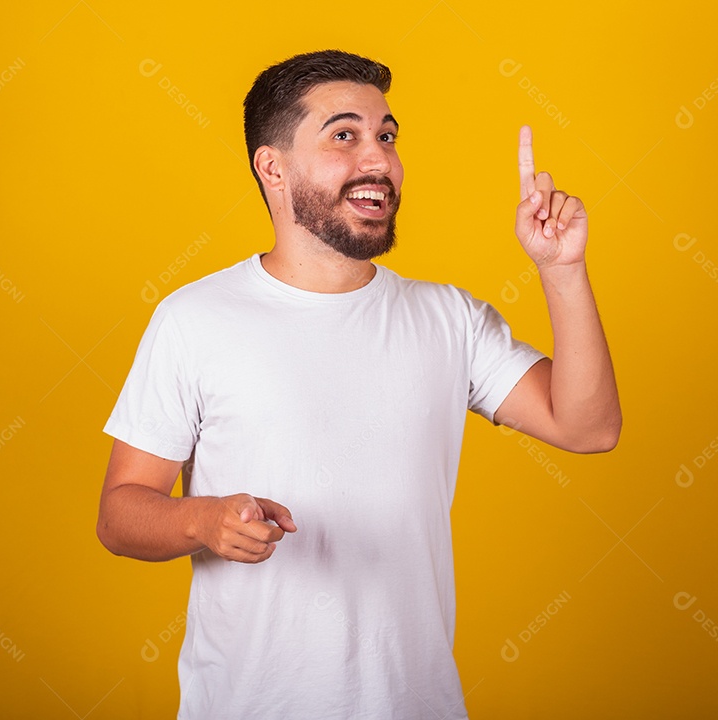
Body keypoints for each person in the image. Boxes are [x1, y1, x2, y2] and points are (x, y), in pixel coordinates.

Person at [97, 49, 621, 719]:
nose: (378, 160)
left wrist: (563, 270)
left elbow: (588, 427)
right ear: (273, 166)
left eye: (387, 136)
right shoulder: (194, 319)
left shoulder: (449, 318)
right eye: (344, 135)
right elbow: (120, 514)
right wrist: (204, 519)